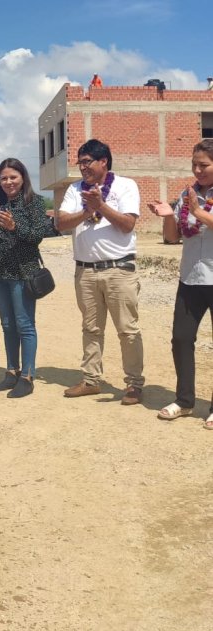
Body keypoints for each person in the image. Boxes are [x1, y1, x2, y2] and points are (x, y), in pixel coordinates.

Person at [57, 138, 144, 404]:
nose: (82, 167)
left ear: (103, 161)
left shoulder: (125, 186)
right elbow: (61, 222)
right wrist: (87, 210)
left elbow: (128, 224)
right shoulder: (75, 190)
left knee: (127, 330)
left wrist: (101, 206)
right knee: (91, 328)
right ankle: (91, 380)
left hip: (119, 269)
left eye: (87, 162)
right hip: (86, 271)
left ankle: (133, 385)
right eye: (80, 162)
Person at [148, 139, 213, 429]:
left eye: (204, 165)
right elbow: (174, 237)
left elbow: (201, 219)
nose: (197, 170)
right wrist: (167, 216)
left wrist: (199, 212)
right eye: (194, 165)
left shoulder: (195, 202)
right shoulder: (185, 195)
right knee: (181, 339)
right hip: (190, 278)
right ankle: (185, 401)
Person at [0, 159, 50, 398]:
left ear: (23, 178)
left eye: (13, 177)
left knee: (24, 325)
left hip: (23, 272)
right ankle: (11, 372)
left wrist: (13, 227)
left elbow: (38, 235)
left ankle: (27, 376)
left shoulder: (34, 203)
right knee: (7, 325)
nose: (8, 182)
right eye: (3, 178)